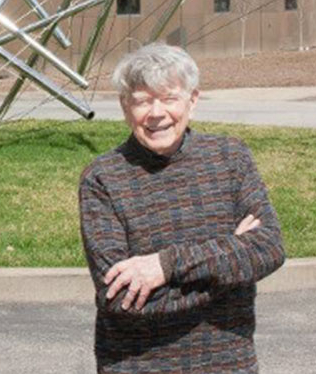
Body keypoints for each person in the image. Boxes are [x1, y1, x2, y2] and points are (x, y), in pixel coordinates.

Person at [78, 43, 285, 373]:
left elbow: (269, 248)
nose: (156, 113)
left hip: (227, 364)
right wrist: (230, 267)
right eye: (142, 100)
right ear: (124, 107)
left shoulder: (230, 158)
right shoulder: (103, 178)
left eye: (169, 98)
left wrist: (165, 266)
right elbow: (120, 297)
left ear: (193, 100)